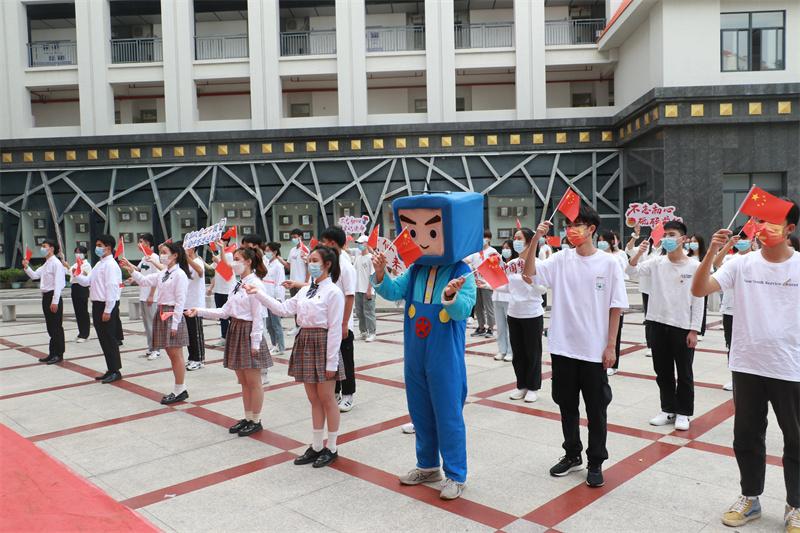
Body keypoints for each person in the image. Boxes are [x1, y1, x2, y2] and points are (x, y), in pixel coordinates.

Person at [691, 199, 799, 532]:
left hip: (791, 367)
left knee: (796, 439)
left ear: (790, 229)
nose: (763, 227)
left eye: (771, 222)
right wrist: (712, 251)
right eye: (760, 221)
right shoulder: (741, 264)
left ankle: (795, 505)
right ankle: (750, 498)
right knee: (747, 437)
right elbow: (699, 289)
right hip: (748, 364)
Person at [372, 191, 481, 500]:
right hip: (415, 353)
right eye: (413, 232)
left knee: (447, 413)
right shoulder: (416, 269)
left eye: (431, 232)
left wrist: (450, 297)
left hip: (444, 355)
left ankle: (456, 474)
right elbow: (394, 291)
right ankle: (428, 465)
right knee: (419, 409)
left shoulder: (462, 272)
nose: (421, 240)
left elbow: (463, 311)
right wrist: (380, 273)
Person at [523, 204, 628, 488]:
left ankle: (596, 461)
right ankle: (572, 454)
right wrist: (536, 240)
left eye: (577, 225)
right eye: (569, 225)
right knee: (566, 405)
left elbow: (616, 307)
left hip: (593, 351)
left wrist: (611, 346)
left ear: (591, 229)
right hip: (563, 348)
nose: (571, 230)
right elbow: (529, 273)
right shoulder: (561, 259)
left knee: (596, 409)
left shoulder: (609, 263)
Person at [247, 245, 345, 468]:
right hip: (306, 342)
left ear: (327, 264)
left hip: (323, 343)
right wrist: (258, 294)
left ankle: (332, 447)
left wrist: (331, 362)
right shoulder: (306, 289)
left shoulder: (333, 292)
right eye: (309, 260)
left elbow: (335, 329)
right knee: (313, 399)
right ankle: (317, 446)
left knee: (327, 398)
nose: (310, 264)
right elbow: (283, 309)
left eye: (314, 260)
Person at [186, 247, 273, 436]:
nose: (233, 263)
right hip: (236, 330)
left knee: (254, 381)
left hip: (248, 332)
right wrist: (198, 311)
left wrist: (255, 343)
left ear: (248, 261)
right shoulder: (238, 283)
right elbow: (225, 311)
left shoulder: (256, 284)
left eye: (237, 259)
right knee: (244, 381)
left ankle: (256, 420)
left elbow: (258, 317)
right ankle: (248, 417)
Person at [628, 221, 703, 431]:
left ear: (683, 239)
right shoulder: (656, 262)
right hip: (657, 323)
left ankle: (684, 412)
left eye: (672, 234)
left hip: (682, 326)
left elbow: (699, 299)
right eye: (665, 234)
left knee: (684, 373)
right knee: (662, 371)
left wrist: (694, 329)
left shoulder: (695, 266)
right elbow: (631, 272)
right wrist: (638, 253)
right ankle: (668, 408)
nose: (667, 238)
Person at [121, 241, 192, 405]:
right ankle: (180, 388)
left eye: (165, 252)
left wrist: (175, 324)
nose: (162, 255)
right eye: (161, 252)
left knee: (176, 354)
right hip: (162, 312)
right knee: (172, 354)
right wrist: (131, 269)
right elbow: (144, 281)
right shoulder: (164, 273)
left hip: (171, 313)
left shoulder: (179, 274)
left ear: (175, 255)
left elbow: (180, 301)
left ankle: (180, 389)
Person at [316, 227, 357, 413]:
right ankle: (336, 392)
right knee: (333, 359)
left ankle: (348, 395)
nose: (321, 245)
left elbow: (350, 296)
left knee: (346, 360)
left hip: (342, 323)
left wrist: (344, 323)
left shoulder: (345, 267)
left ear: (332, 243)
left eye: (323, 241)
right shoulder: (329, 264)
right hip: (328, 322)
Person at [73, 235, 123, 383]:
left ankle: (115, 371)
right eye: (97, 245)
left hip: (106, 305)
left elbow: (112, 288)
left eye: (100, 245)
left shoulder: (111, 265)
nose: (97, 248)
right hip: (97, 304)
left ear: (108, 247)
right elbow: (87, 281)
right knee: (103, 339)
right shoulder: (99, 264)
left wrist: (108, 309)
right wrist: (77, 275)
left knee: (109, 339)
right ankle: (110, 368)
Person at [506, 228, 545, 403]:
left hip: (532, 314)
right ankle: (521, 385)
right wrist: (487, 284)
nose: (516, 241)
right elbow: (506, 286)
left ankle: (533, 387)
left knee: (532, 352)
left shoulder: (539, 263)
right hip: (514, 313)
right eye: (514, 238)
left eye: (519, 238)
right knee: (518, 352)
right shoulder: (511, 264)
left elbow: (543, 289)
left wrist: (532, 284)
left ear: (530, 241)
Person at [712, 230, 753, 392]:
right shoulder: (731, 258)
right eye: (739, 238)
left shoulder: (756, 258)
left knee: (751, 345)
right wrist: (728, 245)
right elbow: (716, 262)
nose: (742, 241)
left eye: (745, 238)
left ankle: (752, 378)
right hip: (730, 310)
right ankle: (735, 378)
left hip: (750, 311)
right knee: (732, 345)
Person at [23, 238, 66, 364]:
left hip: (53, 296)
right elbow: (35, 275)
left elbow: (59, 283)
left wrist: (55, 301)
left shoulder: (56, 263)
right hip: (46, 297)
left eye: (44, 246)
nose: (42, 248)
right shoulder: (46, 263)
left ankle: (59, 354)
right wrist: (26, 267)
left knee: (56, 327)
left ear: (51, 248)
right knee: (50, 327)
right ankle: (52, 353)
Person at [597, 230, 628, 376]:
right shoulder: (597, 256)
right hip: (600, 300)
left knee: (615, 332)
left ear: (611, 242)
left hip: (614, 299)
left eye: (603, 240)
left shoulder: (618, 257)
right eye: (599, 240)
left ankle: (614, 365)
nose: (600, 243)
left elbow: (622, 277)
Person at [626, 225, 655, 357]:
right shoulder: (646, 247)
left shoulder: (666, 249)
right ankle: (650, 345)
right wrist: (635, 237)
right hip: (647, 288)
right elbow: (629, 250)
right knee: (649, 317)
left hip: (663, 288)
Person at [131, 233, 160, 360]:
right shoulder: (144, 258)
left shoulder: (154, 258)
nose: (139, 244)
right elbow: (138, 270)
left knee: (153, 324)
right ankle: (151, 347)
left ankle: (156, 349)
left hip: (151, 297)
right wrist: (128, 265)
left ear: (147, 243)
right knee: (147, 324)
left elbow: (157, 278)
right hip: (143, 295)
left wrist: (151, 295)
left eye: (141, 241)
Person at [467, 229, 498, 338]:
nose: (482, 240)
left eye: (484, 237)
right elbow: (466, 260)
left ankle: (491, 328)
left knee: (489, 307)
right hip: (476, 283)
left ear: (489, 239)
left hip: (487, 283)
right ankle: (481, 327)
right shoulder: (475, 252)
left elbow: (495, 266)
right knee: (478, 307)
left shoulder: (492, 251)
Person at [281, 228, 309, 336]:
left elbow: (308, 266)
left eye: (295, 237)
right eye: (292, 237)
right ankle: (297, 326)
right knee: (295, 306)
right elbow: (289, 266)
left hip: (301, 283)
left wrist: (306, 281)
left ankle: (303, 326)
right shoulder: (292, 250)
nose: (293, 239)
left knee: (302, 306)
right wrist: (279, 258)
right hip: (292, 282)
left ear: (300, 237)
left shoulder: (305, 250)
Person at [208, 235, 235, 347]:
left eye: (220, 241)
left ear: (226, 242)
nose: (217, 243)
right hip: (218, 290)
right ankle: (224, 337)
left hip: (227, 290)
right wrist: (211, 287)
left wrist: (218, 261)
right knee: (221, 315)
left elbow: (227, 273)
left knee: (231, 315)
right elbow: (213, 271)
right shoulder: (218, 255)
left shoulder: (229, 255)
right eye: (216, 241)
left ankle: (234, 336)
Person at [184, 245, 206, 371]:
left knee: (196, 333)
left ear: (192, 249)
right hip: (185, 303)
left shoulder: (198, 261)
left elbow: (200, 271)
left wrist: (187, 258)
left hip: (195, 304)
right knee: (189, 334)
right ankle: (192, 357)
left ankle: (199, 359)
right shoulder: (185, 263)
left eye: (186, 247)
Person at [492, 239, 515, 362]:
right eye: (503, 248)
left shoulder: (515, 264)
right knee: (500, 327)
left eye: (507, 248)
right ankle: (502, 350)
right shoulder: (498, 262)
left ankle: (511, 352)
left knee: (510, 327)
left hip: (509, 298)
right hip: (497, 297)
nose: (505, 250)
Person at [353, 235, 377, 342]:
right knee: (359, 313)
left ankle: (372, 333)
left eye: (361, 243)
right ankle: (363, 332)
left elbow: (373, 275)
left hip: (368, 290)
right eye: (358, 243)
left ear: (366, 244)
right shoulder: (358, 258)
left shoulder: (371, 258)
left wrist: (369, 289)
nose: (359, 245)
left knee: (369, 312)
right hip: (358, 289)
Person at [264, 242, 286, 355]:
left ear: (275, 252)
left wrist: (278, 299)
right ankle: (274, 344)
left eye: (268, 251)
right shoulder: (267, 263)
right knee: (269, 325)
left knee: (276, 324)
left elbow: (280, 283)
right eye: (265, 250)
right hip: (267, 297)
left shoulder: (278, 266)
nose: (266, 253)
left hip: (274, 298)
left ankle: (280, 347)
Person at [686, 234, 709, 336]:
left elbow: (709, 272)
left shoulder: (705, 257)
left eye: (695, 241)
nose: (692, 244)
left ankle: (700, 331)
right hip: (687, 286)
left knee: (701, 308)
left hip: (702, 286)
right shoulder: (687, 257)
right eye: (691, 242)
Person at [68, 245, 91, 343]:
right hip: (74, 287)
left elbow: (83, 276)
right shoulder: (75, 264)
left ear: (84, 254)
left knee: (83, 311)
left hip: (82, 287)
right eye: (76, 252)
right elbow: (70, 273)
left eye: (80, 252)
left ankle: (85, 334)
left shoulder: (86, 265)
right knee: (77, 311)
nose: (78, 254)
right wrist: (67, 266)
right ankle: (81, 332)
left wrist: (75, 272)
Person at [537, 235, 552, 309]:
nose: (541, 238)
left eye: (543, 237)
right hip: (538, 267)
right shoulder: (537, 246)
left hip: (544, 268)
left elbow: (549, 257)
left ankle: (546, 304)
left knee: (544, 286)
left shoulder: (547, 247)